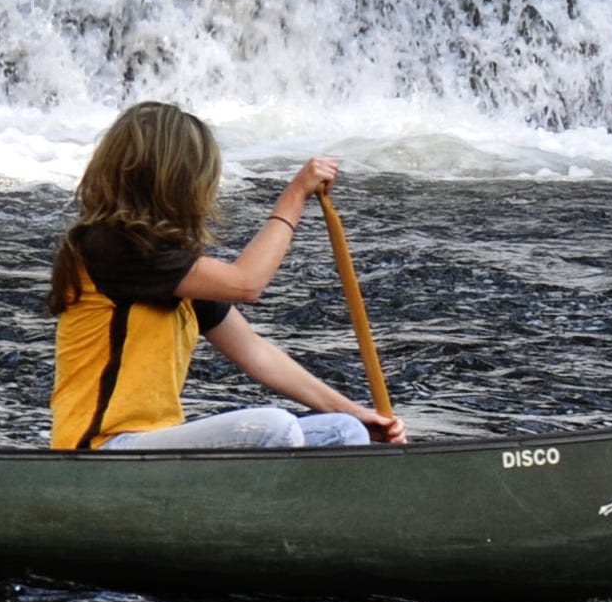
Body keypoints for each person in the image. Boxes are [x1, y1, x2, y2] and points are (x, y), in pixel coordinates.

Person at [49, 101, 404, 451]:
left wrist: (359, 413)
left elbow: (256, 354)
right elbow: (246, 283)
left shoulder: (172, 271)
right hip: (101, 450)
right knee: (274, 428)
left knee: (345, 432)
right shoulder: (110, 247)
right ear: (172, 181)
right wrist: (295, 195)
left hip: (154, 448)